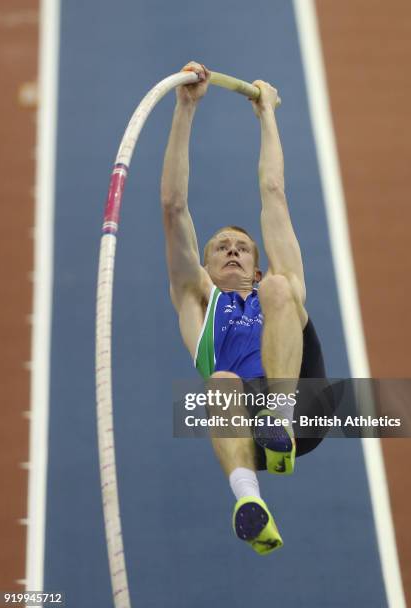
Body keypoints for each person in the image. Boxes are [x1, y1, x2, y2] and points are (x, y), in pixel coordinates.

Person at [160, 61, 328, 555]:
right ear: (206, 267)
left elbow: (273, 192)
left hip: (302, 408)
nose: (232, 250)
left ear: (253, 265)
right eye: (220, 247)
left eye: (242, 247)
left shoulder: (272, 282)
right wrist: (185, 109)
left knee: (282, 290)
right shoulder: (196, 302)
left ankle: (279, 417)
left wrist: (267, 114)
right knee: (221, 382)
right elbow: (173, 207)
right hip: (243, 428)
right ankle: (250, 504)